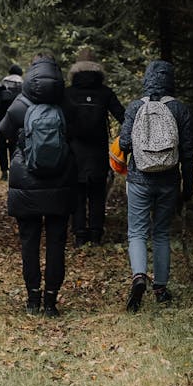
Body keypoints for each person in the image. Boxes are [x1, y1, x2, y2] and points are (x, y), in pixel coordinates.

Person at [0, 52, 76, 317]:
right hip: (61, 181)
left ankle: (32, 299)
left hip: (25, 181)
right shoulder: (65, 103)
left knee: (29, 242)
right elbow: (77, 133)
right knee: (56, 242)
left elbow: (3, 130)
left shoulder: (21, 104)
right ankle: (51, 301)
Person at [119, 59, 193, 312]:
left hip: (139, 179)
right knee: (161, 233)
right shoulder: (179, 109)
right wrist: (188, 185)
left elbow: (126, 145)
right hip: (169, 181)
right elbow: (187, 152)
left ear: (146, 79)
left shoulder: (134, 107)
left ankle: (139, 275)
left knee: (137, 232)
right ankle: (160, 288)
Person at [63, 47, 125, 245]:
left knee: (78, 192)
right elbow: (123, 116)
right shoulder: (105, 93)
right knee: (97, 192)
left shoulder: (68, 93)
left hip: (75, 150)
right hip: (98, 150)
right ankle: (96, 234)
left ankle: (80, 234)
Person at [0, 63, 24, 179]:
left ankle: (3, 172)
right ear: (20, 73)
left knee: (1, 145)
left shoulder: (0, 85)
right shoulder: (24, 86)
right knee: (15, 145)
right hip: (17, 120)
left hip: (0, 119)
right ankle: (14, 170)